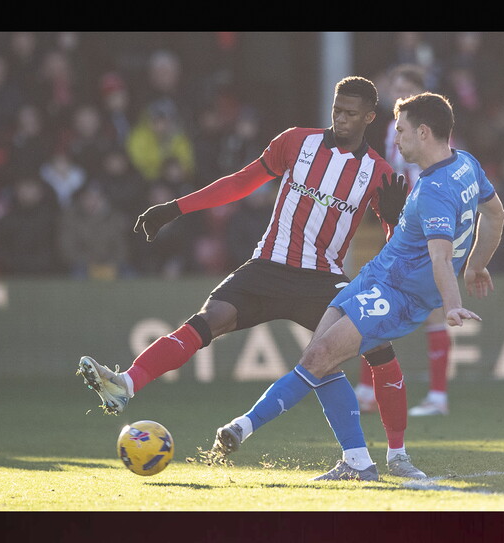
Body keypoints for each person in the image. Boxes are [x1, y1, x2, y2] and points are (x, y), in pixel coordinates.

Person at [76, 76, 427, 479]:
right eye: (336, 110)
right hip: (266, 266)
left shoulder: (379, 172)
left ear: (369, 117)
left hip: (321, 279)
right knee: (207, 320)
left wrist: (396, 219)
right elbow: (241, 182)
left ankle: (396, 455)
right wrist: (175, 208)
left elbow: (397, 244)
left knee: (378, 349)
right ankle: (126, 384)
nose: (341, 119)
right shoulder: (297, 141)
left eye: (351, 113)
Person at [211, 91, 504, 480]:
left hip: (399, 295)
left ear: (423, 132)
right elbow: (496, 215)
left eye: (400, 131)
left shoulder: (435, 190)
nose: (395, 140)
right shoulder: (466, 164)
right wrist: (476, 266)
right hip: (376, 275)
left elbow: (439, 257)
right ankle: (360, 461)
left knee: (320, 358)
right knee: (319, 354)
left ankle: (241, 428)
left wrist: (451, 303)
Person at [354, 64, 456, 417]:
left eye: (405, 87)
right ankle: (368, 391)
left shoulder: (431, 133)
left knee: (426, 310)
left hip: (425, 225)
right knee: (380, 301)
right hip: (402, 227)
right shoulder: (390, 130)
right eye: (394, 85)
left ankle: (437, 397)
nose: (397, 92)